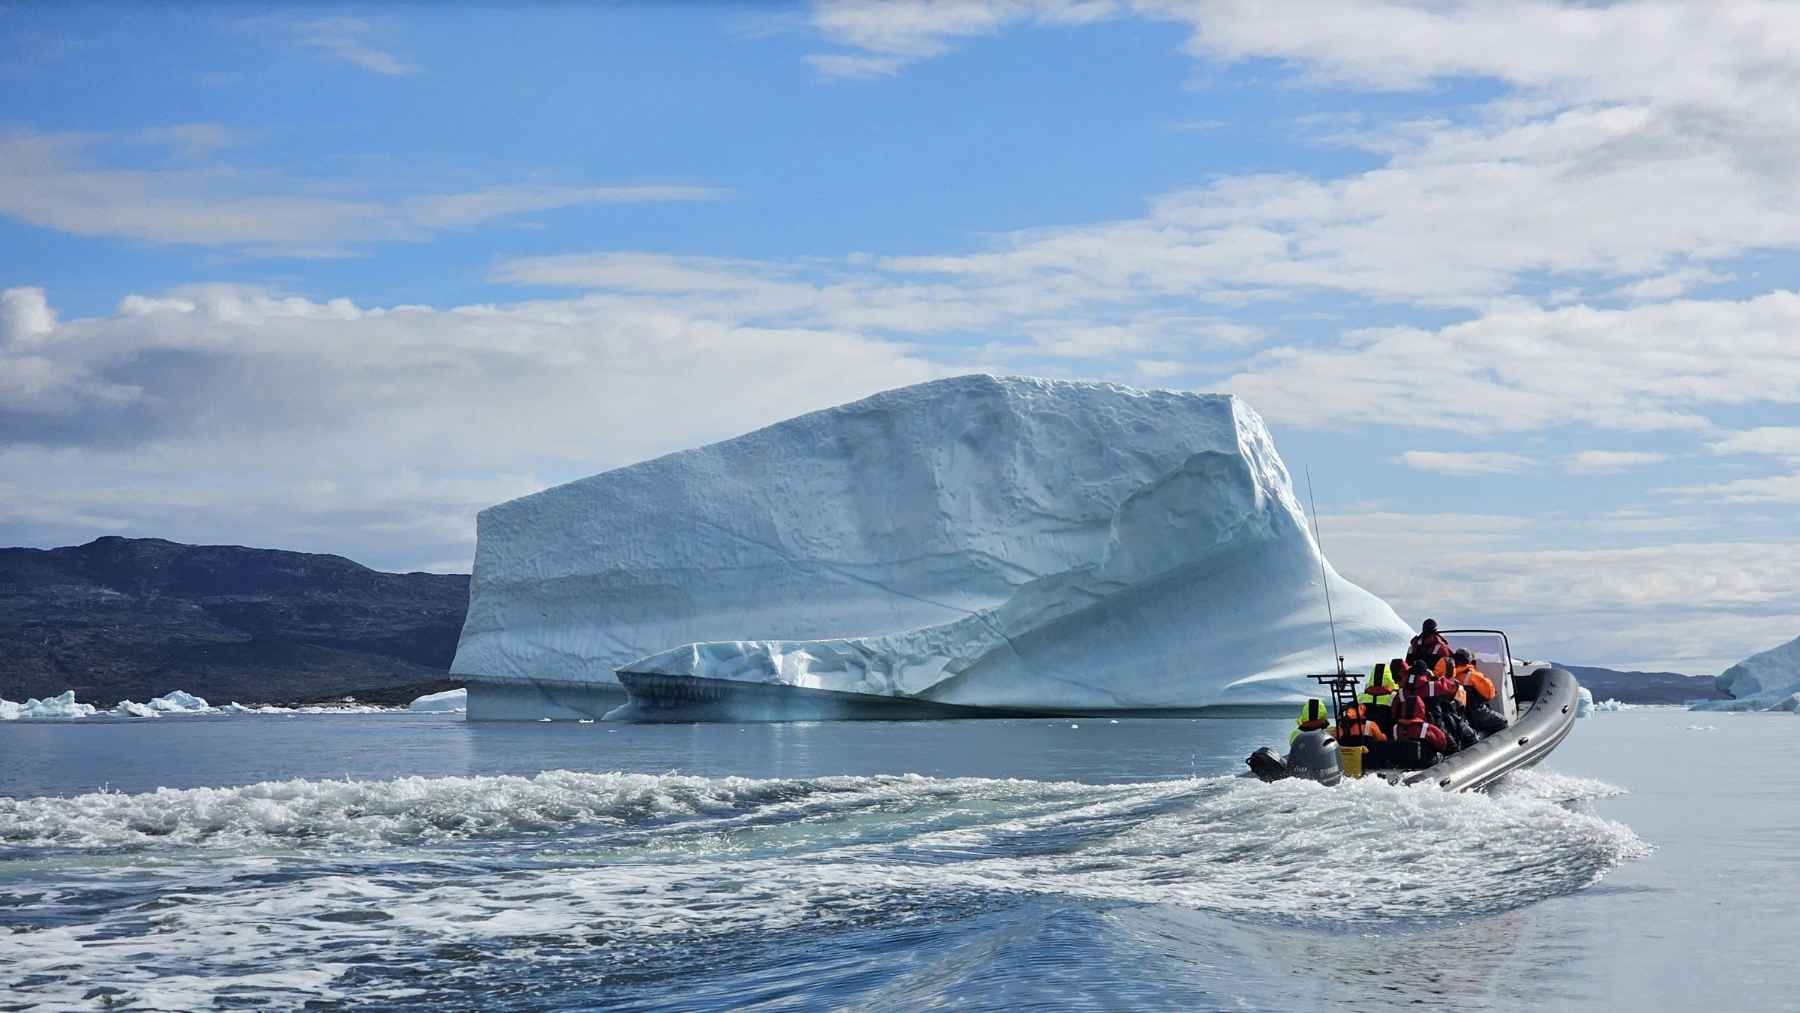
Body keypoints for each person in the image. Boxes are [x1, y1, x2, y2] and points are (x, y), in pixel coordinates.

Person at [1452, 648, 1507, 735]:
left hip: (1462, 715)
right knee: (1502, 722)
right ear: (1469, 660)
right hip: (1477, 713)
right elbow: (1490, 694)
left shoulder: (1450, 674)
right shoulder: (1474, 676)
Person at [1391, 693, 1450, 768]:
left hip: (1404, 764)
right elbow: (1442, 744)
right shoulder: (1427, 728)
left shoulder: (1395, 728)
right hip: (1425, 764)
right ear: (1421, 709)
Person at [1359, 662, 1401, 735]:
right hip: (1386, 735)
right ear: (1389, 678)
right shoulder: (1395, 696)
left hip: (1366, 735)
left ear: (1371, 678)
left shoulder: (1361, 697)